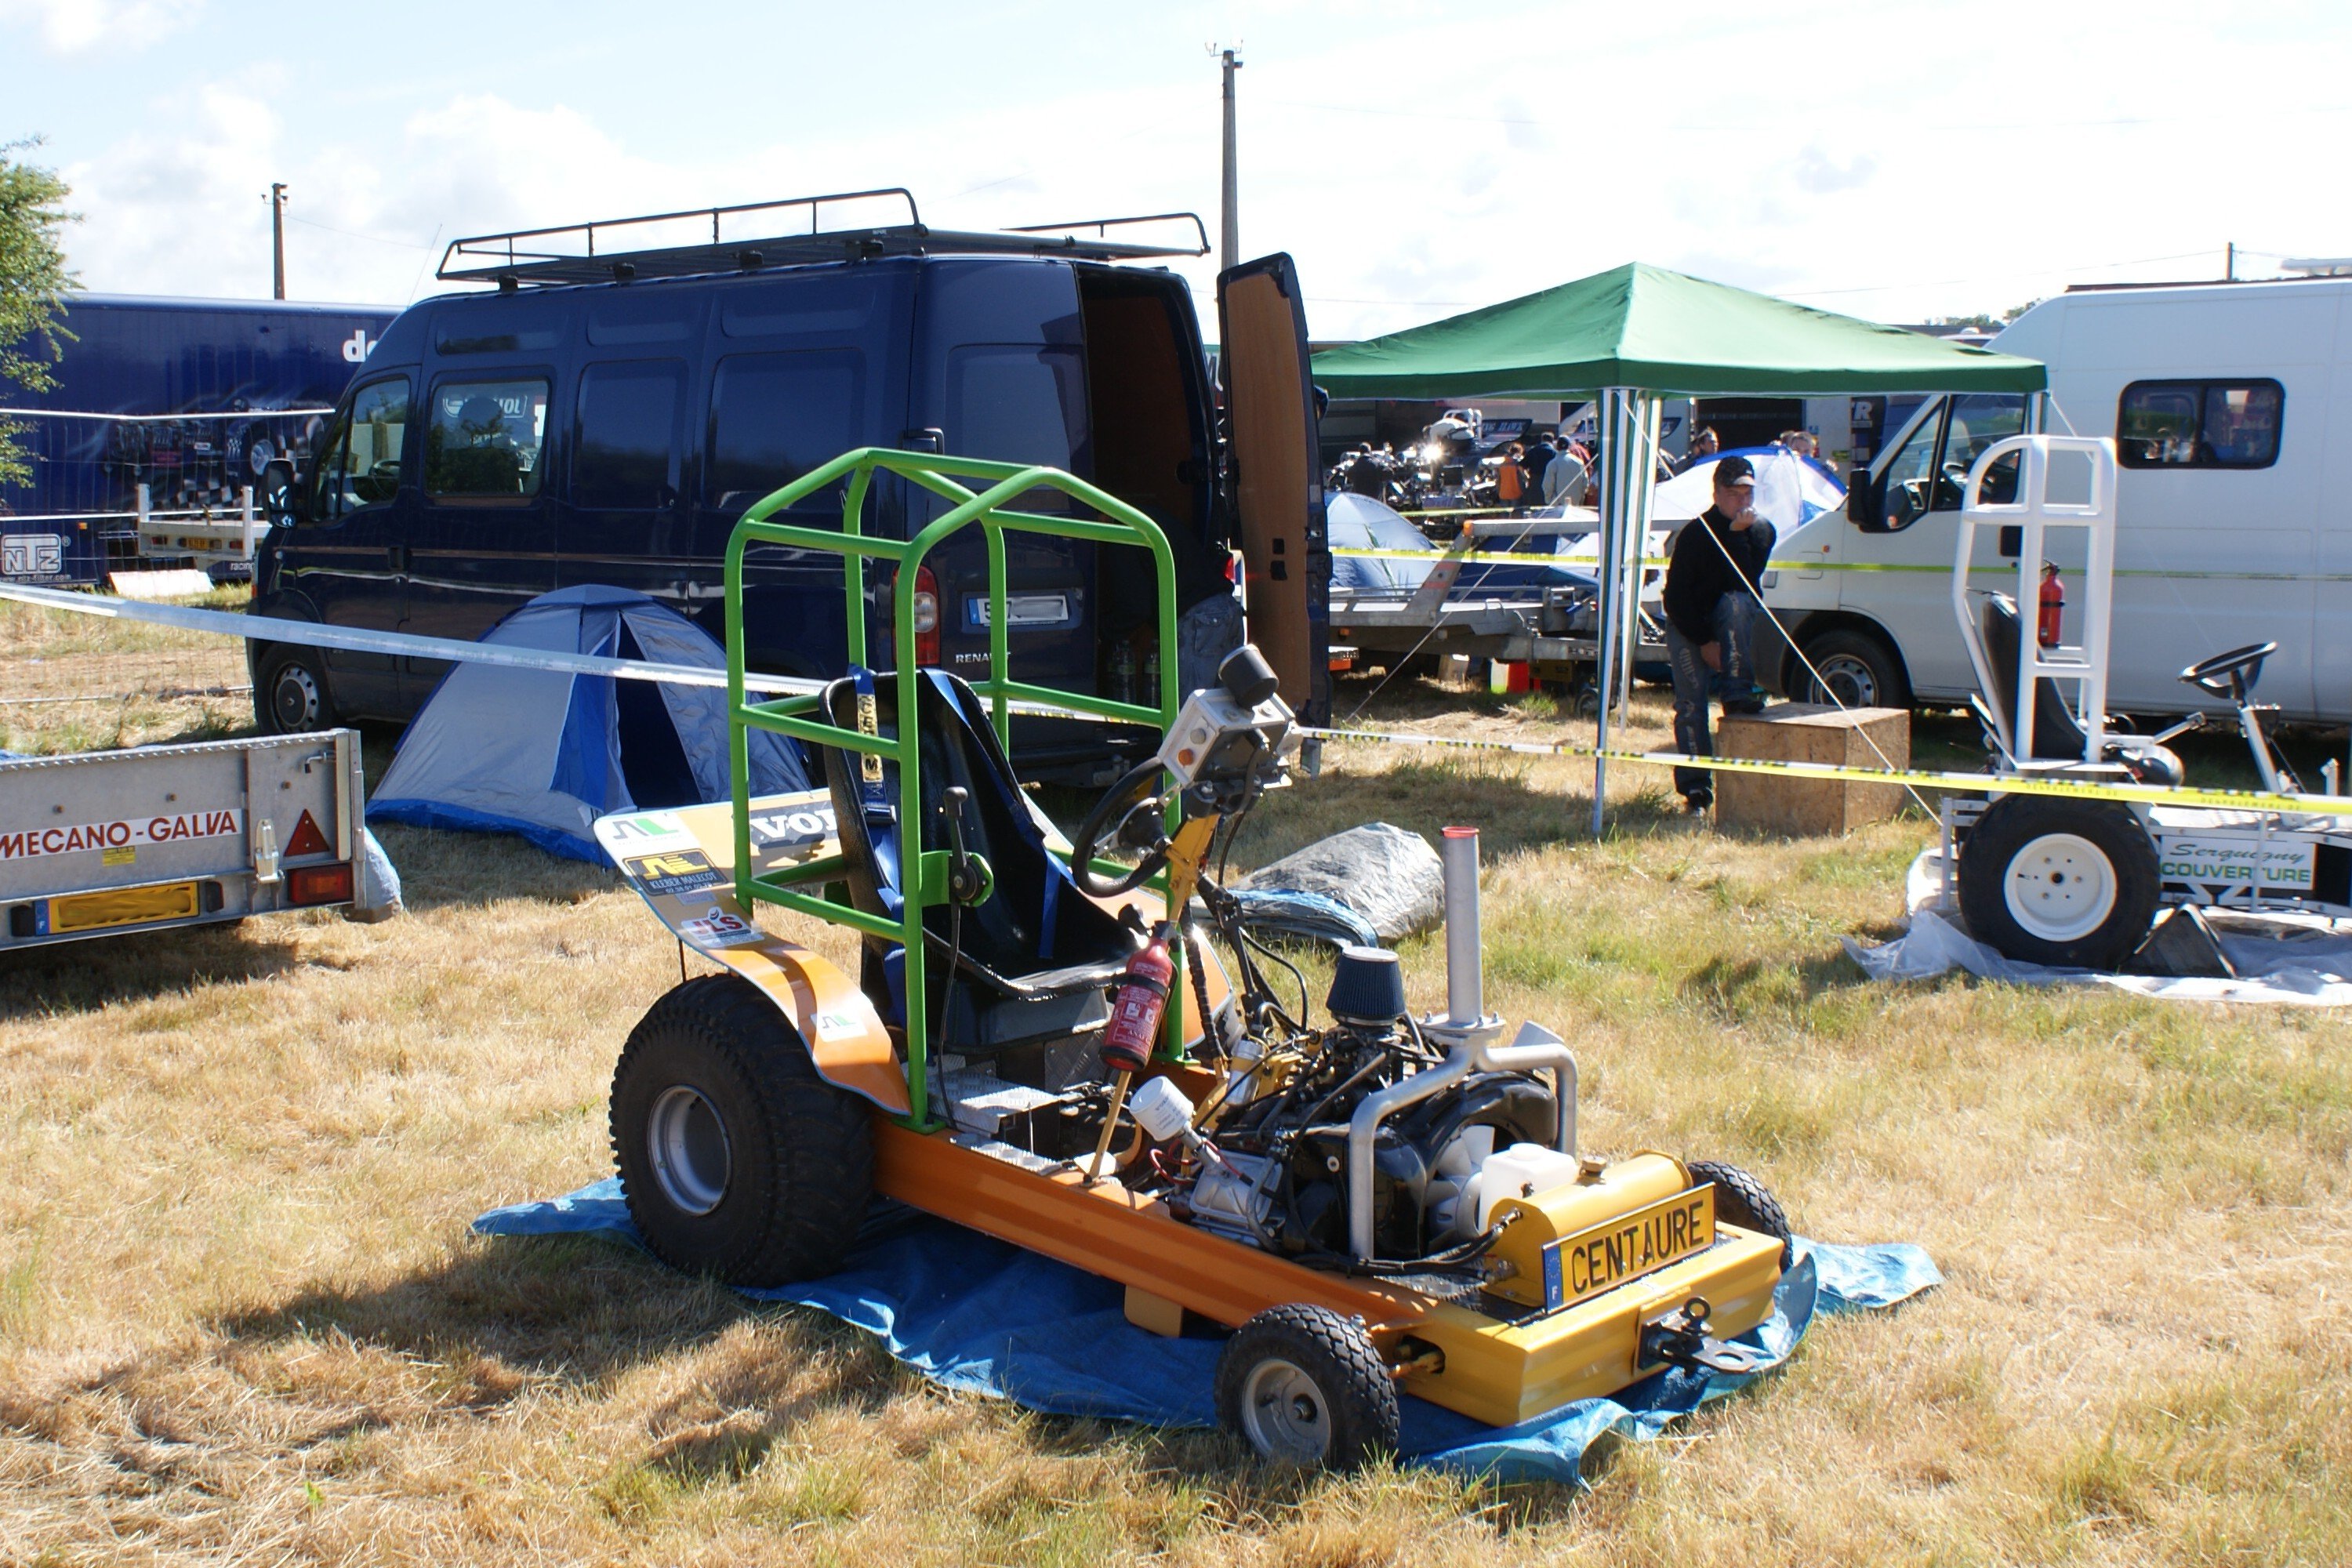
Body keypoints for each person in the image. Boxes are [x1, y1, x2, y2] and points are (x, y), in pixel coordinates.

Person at [1660, 453, 1775, 813]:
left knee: (1739, 603)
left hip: (1729, 618)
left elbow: (1746, 587)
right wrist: (1704, 642)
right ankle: (1696, 790)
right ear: (1717, 493)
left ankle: (1738, 690)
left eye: (1748, 494)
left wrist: (1740, 536)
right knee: (1691, 705)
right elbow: (1675, 597)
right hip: (1688, 623)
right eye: (1735, 494)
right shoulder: (1696, 533)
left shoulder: (1761, 531)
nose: (1743, 502)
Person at [1542, 434, 1588, 506]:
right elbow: (1585, 483)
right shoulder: (1579, 462)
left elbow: (1548, 485)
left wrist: (1549, 500)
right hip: (1575, 504)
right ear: (1569, 446)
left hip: (1558, 505)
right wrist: (1581, 499)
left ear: (1557, 447)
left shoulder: (1553, 463)